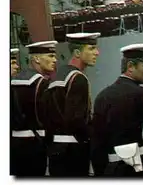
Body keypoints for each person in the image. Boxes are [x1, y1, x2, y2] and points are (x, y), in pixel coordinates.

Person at [91, 43, 143, 176]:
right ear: (130, 66)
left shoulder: (102, 96)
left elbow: (97, 142)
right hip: (142, 168)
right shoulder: (142, 95)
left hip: (113, 169)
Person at [43, 32, 100, 176]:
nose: (97, 53)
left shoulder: (56, 75)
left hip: (56, 149)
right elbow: (76, 120)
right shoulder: (78, 78)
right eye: (91, 48)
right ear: (77, 52)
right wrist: (91, 140)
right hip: (74, 151)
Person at [10, 41, 57, 176]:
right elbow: (46, 117)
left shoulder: (13, 81)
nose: (55, 60)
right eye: (50, 56)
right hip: (35, 144)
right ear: (36, 59)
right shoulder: (41, 83)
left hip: (14, 143)